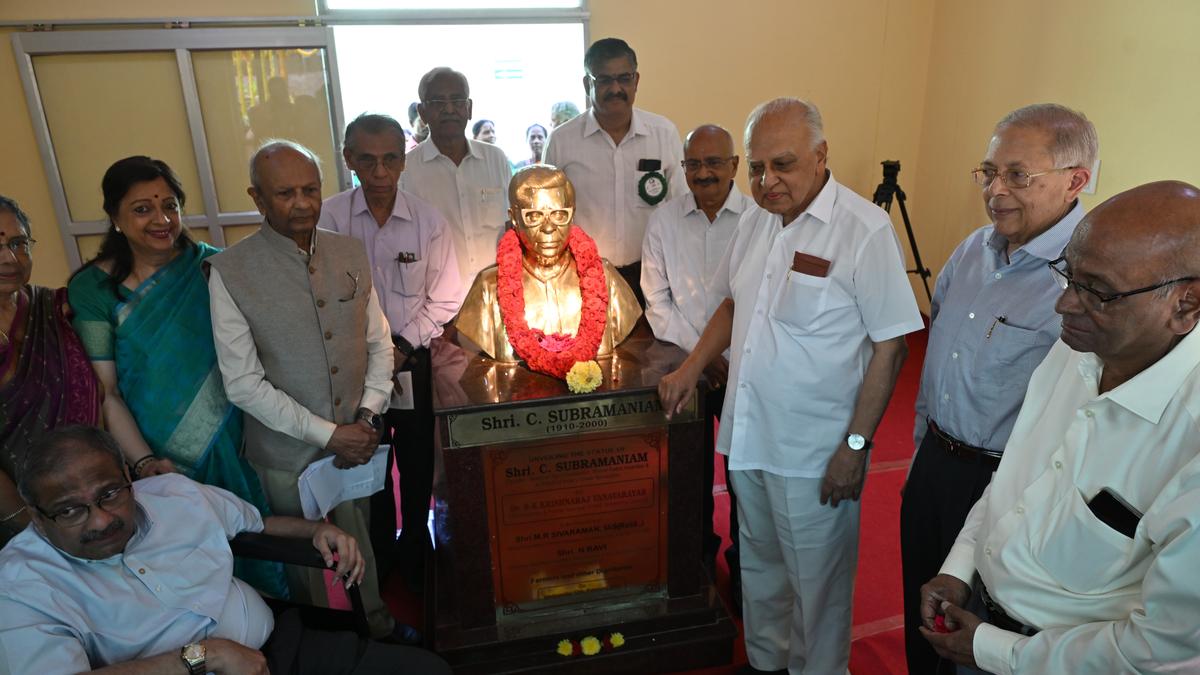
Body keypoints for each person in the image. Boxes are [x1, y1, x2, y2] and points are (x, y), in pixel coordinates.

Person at [658, 98, 923, 674]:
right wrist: (691, 366)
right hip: (750, 437)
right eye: (755, 167)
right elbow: (733, 302)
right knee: (760, 571)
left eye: (782, 165)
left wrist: (855, 448)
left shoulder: (863, 229)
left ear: (821, 155)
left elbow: (892, 345)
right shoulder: (755, 220)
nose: (766, 181)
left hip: (816, 454)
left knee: (818, 589)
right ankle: (766, 663)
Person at [920, 181, 1200, 675]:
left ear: (1186, 304)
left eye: (1097, 291)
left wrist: (997, 652)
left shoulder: (1190, 444)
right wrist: (959, 567)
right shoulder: (1078, 352)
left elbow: (1161, 647)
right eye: (1068, 275)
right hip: (978, 620)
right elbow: (1015, 482)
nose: (1064, 305)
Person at [0, 425, 451, 674]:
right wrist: (203, 655)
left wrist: (314, 531)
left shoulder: (174, 494)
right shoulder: (21, 586)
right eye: (70, 511)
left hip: (281, 649)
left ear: (126, 474)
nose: (101, 520)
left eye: (109, 494)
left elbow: (255, 523)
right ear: (37, 515)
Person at [900, 103, 1097, 675]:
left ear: (1075, 181)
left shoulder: (1084, 279)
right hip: (935, 465)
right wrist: (919, 457)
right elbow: (936, 367)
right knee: (922, 617)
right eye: (988, 172)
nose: (995, 190)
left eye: (1017, 175)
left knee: (980, 642)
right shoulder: (972, 251)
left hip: (1007, 487)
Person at [207, 140, 405, 642]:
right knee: (304, 559)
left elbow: (379, 343)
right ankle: (321, 643)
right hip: (284, 450)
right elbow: (244, 384)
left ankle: (377, 627)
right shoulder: (230, 271)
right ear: (258, 198)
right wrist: (327, 434)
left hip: (357, 437)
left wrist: (367, 416)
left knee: (360, 534)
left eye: (311, 190)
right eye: (286, 193)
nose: (302, 203)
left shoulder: (347, 250)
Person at [67, 156, 285, 597]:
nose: (162, 220)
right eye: (142, 209)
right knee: (185, 570)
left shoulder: (215, 268)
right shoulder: (92, 289)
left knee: (254, 543)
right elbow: (106, 391)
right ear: (115, 217)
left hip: (236, 439)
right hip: (156, 459)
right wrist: (146, 463)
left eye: (170, 205)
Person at [318, 113, 461, 592]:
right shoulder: (329, 220)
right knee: (366, 465)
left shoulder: (428, 221)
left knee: (418, 462)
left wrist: (400, 348)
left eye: (390, 159)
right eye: (367, 160)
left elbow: (446, 297)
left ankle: (417, 550)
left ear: (405, 158)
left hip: (410, 365)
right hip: (351, 370)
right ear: (349, 159)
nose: (379, 173)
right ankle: (377, 557)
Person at [640, 123, 749, 601]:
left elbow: (761, 296)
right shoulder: (663, 220)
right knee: (691, 470)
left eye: (714, 162)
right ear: (681, 168)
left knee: (745, 470)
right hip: (687, 367)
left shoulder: (759, 220)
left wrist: (725, 355)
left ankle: (747, 562)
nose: (703, 173)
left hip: (746, 365)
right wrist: (702, 357)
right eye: (693, 164)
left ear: (735, 166)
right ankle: (697, 555)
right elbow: (656, 301)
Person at [543, 38, 687, 306]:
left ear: (636, 81)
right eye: (605, 80)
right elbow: (549, 215)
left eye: (624, 78)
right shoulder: (562, 141)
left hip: (653, 277)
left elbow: (681, 206)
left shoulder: (663, 133)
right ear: (588, 84)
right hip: (583, 277)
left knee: (654, 348)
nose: (616, 88)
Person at [456, 165, 641, 362]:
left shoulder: (605, 277)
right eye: (534, 216)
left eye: (559, 214)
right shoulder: (489, 287)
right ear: (514, 219)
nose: (548, 227)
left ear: (573, 214)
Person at [0, 196, 101, 546]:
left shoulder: (55, 308)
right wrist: (34, 532)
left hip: (93, 498)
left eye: (18, 243)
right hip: (18, 528)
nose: (9, 258)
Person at [401, 67, 512, 300]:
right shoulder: (406, 170)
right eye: (438, 101)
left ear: (469, 108)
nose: (449, 109)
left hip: (498, 299)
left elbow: (512, 227)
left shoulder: (496, 160)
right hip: (437, 308)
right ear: (422, 112)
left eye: (457, 101)